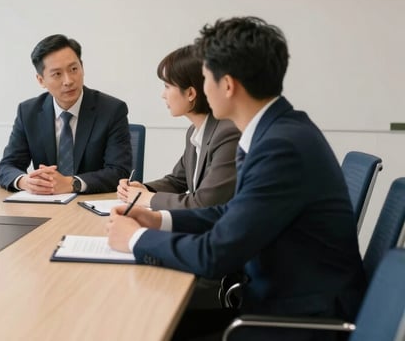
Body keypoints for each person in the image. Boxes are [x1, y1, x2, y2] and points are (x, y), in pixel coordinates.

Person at [107, 17, 365, 340]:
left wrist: (134, 239)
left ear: (227, 85)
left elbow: (215, 255)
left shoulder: (280, 147)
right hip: (272, 304)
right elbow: (230, 214)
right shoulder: (274, 132)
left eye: (204, 78)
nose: (200, 89)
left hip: (296, 323)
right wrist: (158, 220)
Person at [0, 34, 131, 194]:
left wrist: (71, 183)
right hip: (47, 205)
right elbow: (7, 167)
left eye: (74, 69)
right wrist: (26, 182)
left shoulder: (112, 110)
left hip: (93, 205)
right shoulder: (28, 112)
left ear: (82, 68)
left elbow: (119, 172)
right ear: (41, 80)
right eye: (57, 74)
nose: (68, 81)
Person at [117, 45, 239, 209]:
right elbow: (177, 180)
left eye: (167, 86)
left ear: (190, 93)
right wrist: (144, 188)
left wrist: (148, 199)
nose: (163, 95)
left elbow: (204, 203)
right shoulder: (195, 131)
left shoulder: (227, 133)